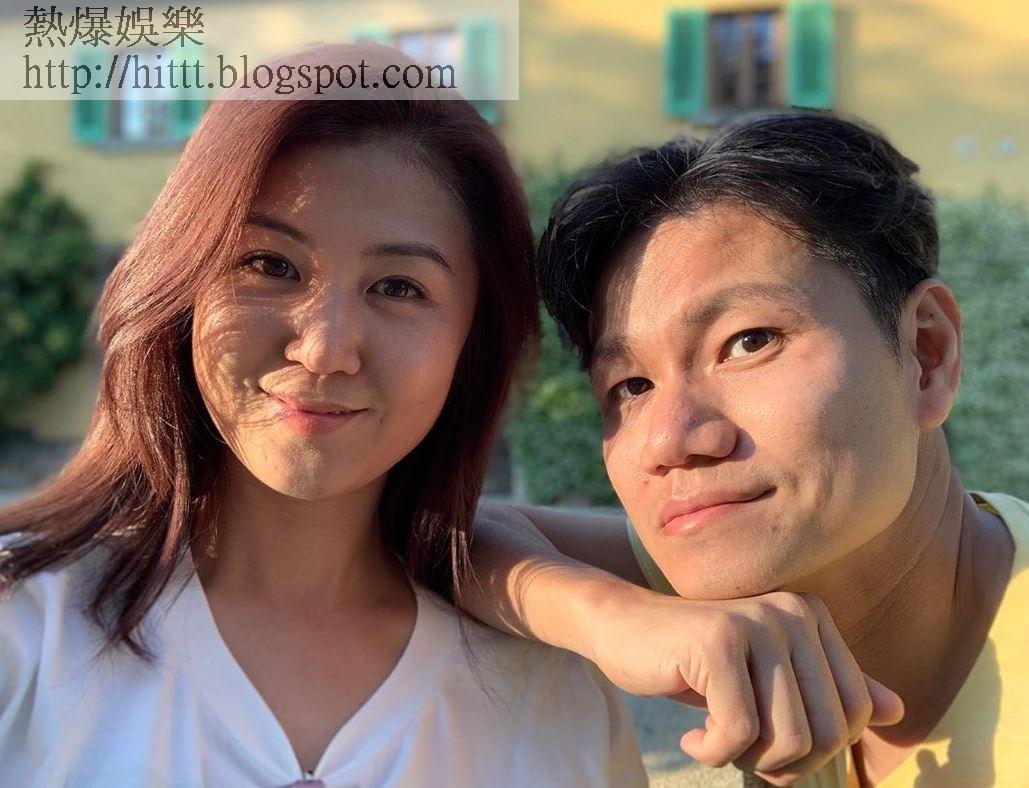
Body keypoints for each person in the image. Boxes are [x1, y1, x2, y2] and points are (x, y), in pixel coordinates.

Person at [0, 43, 649, 787]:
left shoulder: (554, 699)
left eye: (399, 287)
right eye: (270, 265)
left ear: (472, 341)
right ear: (181, 288)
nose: (324, 350)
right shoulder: (25, 626)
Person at [466, 111, 1027, 787]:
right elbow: (450, 537)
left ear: (925, 354)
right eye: (631, 385)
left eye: (748, 342)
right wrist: (610, 617)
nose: (670, 440)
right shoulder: (766, 579)